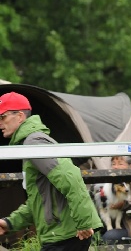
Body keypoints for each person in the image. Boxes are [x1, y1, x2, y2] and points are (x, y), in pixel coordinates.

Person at [0, 92, 103, 251]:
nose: (0, 123)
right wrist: (10, 223)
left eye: (2, 117)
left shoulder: (33, 143)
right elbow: (40, 200)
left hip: (66, 235)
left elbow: (71, 179)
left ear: (20, 116)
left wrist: (84, 222)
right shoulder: (29, 144)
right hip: (62, 234)